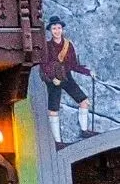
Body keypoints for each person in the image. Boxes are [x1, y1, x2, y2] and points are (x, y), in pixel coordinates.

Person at [40, 17, 94, 147]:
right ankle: (58, 142)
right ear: (50, 31)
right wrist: (53, 79)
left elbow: (74, 65)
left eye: (58, 28)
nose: (57, 31)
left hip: (66, 76)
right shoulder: (47, 46)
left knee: (84, 102)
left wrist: (88, 72)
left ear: (62, 29)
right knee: (53, 110)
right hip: (54, 80)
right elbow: (44, 65)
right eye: (54, 28)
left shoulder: (68, 45)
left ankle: (84, 131)